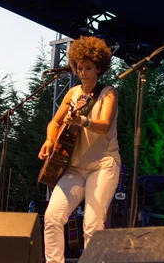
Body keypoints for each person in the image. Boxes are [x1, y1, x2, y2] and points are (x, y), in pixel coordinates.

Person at [38, 36, 120, 263]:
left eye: (88, 68)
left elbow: (104, 125)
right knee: (53, 217)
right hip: (74, 168)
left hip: (103, 166)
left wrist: (82, 121)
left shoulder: (108, 93)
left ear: (99, 68)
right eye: (79, 68)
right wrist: (49, 140)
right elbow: (55, 122)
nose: (82, 72)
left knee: (93, 224)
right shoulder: (72, 93)